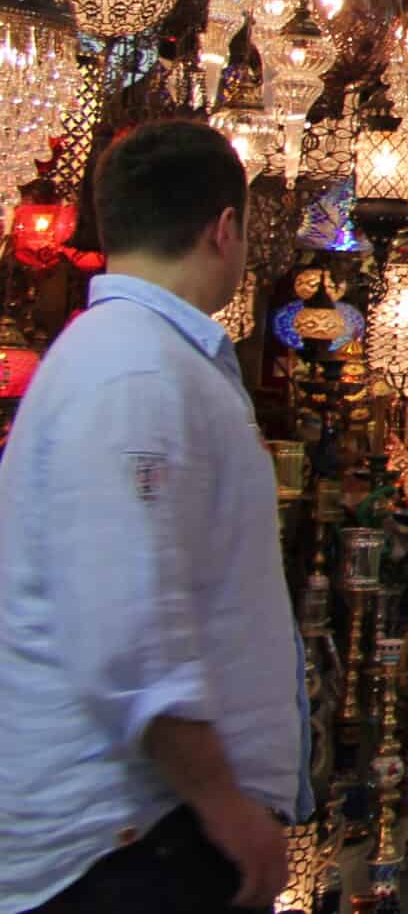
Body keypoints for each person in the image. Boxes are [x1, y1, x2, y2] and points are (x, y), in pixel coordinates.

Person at [0, 122, 306, 912]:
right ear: (225, 228)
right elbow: (129, 630)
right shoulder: (130, 370)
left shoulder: (150, 358)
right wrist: (226, 808)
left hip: (153, 833)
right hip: (127, 843)